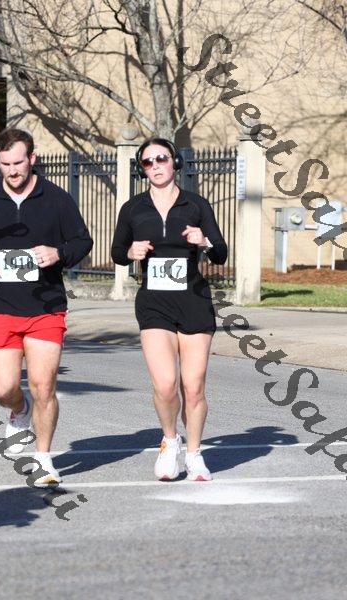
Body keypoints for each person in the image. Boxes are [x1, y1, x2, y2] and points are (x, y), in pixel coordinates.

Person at [0, 128, 93, 487]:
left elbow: (82, 241)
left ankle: (44, 459)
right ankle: (19, 410)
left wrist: (58, 253)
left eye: (18, 163)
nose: (12, 170)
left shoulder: (57, 199)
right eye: (5, 164)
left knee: (43, 386)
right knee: (3, 388)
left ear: (32, 158)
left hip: (45, 308)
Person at [111, 138, 227, 481]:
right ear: (142, 169)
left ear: (174, 162)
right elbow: (117, 252)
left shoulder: (196, 205)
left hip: (193, 302)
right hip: (154, 304)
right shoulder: (133, 208)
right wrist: (130, 252)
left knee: (193, 386)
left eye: (161, 159)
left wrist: (204, 241)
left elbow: (221, 252)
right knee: (165, 385)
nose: (156, 166)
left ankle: (194, 454)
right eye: (148, 162)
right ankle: (170, 440)